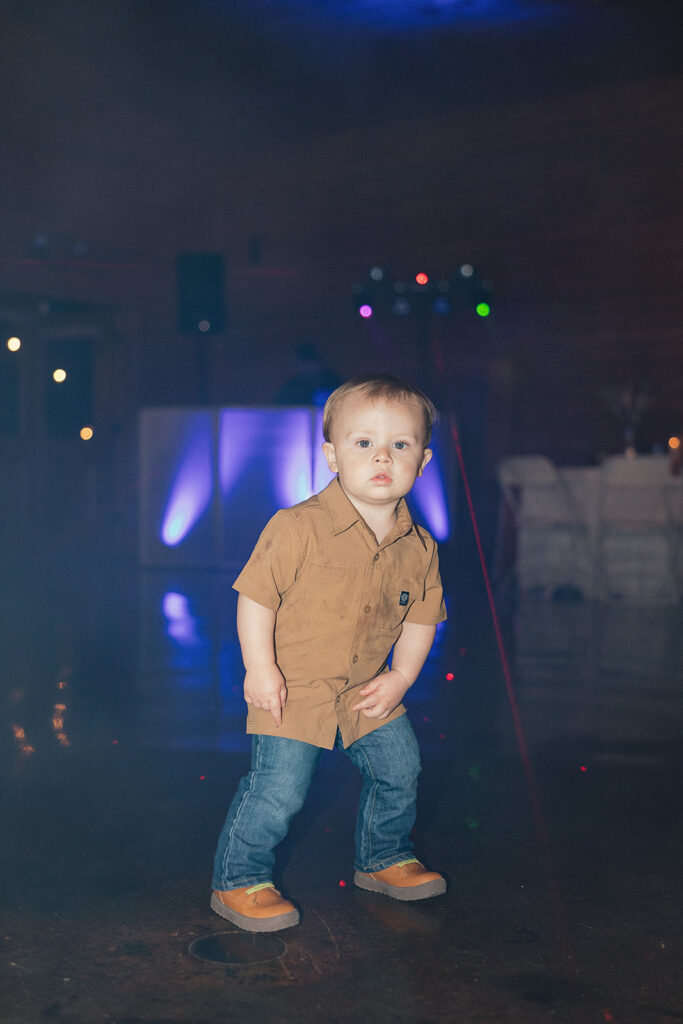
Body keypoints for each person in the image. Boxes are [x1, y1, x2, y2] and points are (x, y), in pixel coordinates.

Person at [211, 374, 447, 932]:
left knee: (400, 768)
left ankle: (384, 857)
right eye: (363, 442)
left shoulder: (420, 547)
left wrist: (402, 677)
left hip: (368, 687)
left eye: (401, 444)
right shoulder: (297, 527)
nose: (382, 456)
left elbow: (420, 619)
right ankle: (239, 878)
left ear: (423, 459)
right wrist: (260, 668)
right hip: (295, 688)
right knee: (279, 789)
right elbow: (256, 598)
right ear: (332, 455)